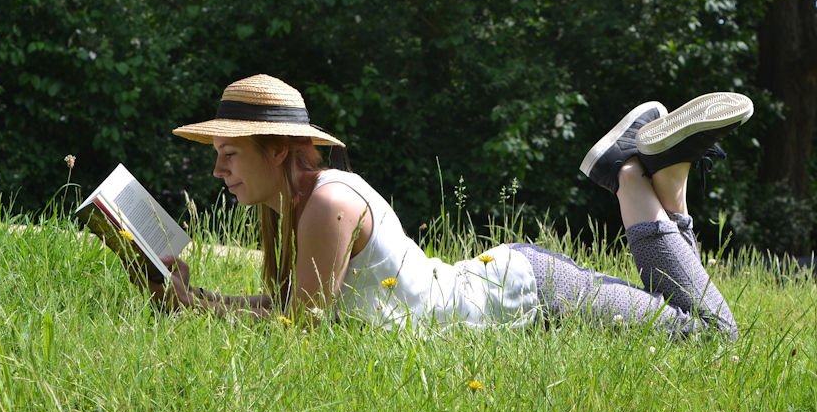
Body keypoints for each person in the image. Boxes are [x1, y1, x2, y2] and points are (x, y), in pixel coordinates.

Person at [133, 74, 751, 339]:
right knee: (686, 324)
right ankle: (666, 182)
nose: (217, 170)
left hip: (531, 295)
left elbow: (301, 327)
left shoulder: (326, 204)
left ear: (275, 152)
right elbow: (287, 307)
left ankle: (627, 178)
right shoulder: (294, 206)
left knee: (713, 340)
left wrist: (193, 307)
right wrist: (195, 301)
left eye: (229, 155)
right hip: (512, 287)